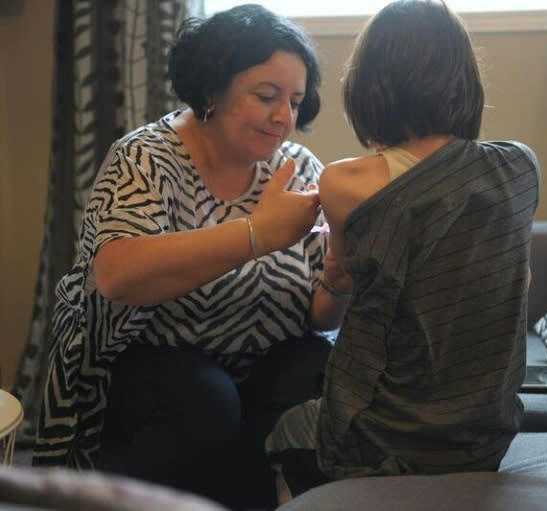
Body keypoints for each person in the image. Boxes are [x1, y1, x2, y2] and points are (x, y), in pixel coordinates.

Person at [33, 4, 351, 509]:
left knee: (316, 370)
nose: (284, 117)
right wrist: (255, 233)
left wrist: (338, 277)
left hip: (266, 361)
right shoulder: (146, 157)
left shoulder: (300, 168)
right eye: (266, 96)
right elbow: (117, 275)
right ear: (211, 90)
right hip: (151, 362)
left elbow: (317, 315)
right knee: (205, 401)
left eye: (294, 101)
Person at [265, 0, 541, 501]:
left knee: (280, 429)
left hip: (386, 441)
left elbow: (327, 312)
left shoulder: (346, 182)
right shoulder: (519, 168)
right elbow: (519, 283)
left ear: (371, 87)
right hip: (486, 438)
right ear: (464, 81)